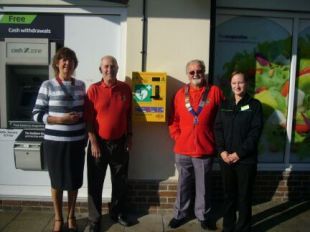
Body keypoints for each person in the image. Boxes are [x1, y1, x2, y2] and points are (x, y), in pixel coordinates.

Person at [32, 47, 86, 232]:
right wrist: (60, 119)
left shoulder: (80, 85)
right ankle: (58, 218)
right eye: (63, 59)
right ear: (57, 63)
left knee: (73, 181)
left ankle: (71, 216)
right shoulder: (47, 85)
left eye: (70, 60)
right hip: (55, 143)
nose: (67, 63)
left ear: (74, 64)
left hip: (77, 141)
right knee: (56, 181)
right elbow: (37, 115)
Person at [168, 59, 224, 230]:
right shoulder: (179, 94)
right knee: (183, 184)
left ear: (204, 71)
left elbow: (223, 120)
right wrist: (178, 136)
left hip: (205, 148)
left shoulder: (215, 92)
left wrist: (217, 140)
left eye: (199, 71)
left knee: (204, 186)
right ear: (188, 74)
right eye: (192, 72)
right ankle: (180, 214)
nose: (196, 74)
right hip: (183, 149)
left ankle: (203, 216)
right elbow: (173, 120)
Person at [84, 55, 132, 232]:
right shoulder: (93, 90)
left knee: (120, 181)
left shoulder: (125, 89)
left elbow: (128, 116)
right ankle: (94, 220)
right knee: (95, 183)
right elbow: (88, 119)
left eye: (112, 66)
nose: (109, 69)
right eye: (106, 66)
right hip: (98, 144)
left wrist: (130, 136)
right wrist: (93, 142)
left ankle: (117, 213)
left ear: (117, 68)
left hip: (120, 143)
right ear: (100, 70)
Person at [214, 71, 264, 232]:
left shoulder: (255, 105)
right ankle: (228, 227)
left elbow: (255, 133)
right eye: (234, 83)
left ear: (246, 84)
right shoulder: (225, 105)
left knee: (244, 197)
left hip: (245, 161)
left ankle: (243, 228)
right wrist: (222, 152)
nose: (237, 86)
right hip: (226, 160)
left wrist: (239, 154)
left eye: (240, 82)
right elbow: (218, 129)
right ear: (230, 85)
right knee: (229, 196)